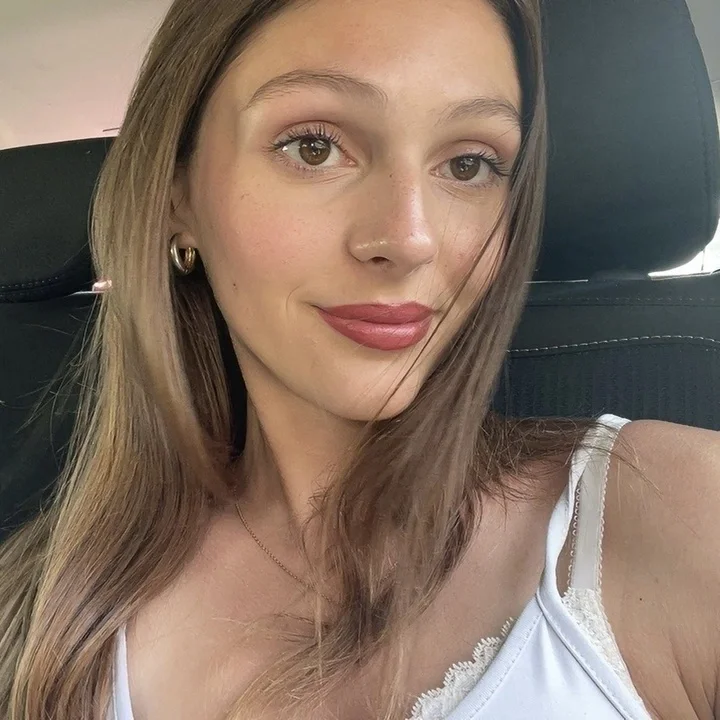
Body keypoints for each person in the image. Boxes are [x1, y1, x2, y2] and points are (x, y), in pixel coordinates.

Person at [1, 0, 719, 718]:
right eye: (314, 147)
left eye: (468, 164)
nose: (408, 239)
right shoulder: (41, 614)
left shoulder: (677, 511)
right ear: (177, 197)